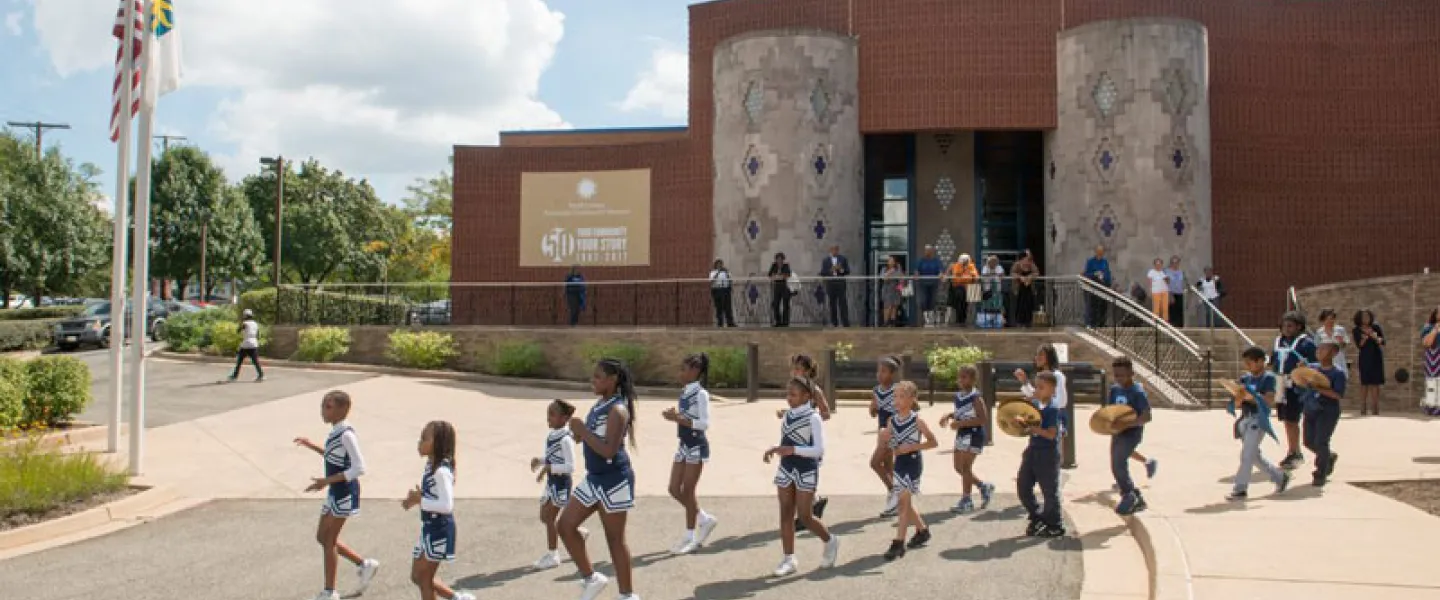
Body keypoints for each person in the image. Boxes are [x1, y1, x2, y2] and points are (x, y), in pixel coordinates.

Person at [558, 359, 640, 600]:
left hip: (615, 480)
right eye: (593, 376)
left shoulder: (619, 410)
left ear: (613, 379)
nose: (592, 381)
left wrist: (583, 431)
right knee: (564, 526)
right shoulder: (600, 405)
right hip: (594, 478)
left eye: (598, 377)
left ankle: (627, 595)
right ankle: (591, 578)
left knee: (615, 539)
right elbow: (593, 438)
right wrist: (576, 434)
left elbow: (609, 450)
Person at [293, 390, 380, 600]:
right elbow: (334, 457)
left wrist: (326, 481)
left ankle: (330, 591)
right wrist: (312, 446)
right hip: (335, 491)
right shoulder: (335, 432)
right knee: (322, 537)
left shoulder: (347, 434)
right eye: (323, 406)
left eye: (328, 407)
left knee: (329, 539)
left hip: (344, 493)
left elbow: (359, 468)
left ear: (342, 409)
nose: (323, 411)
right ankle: (364, 564)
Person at [764, 376, 841, 576]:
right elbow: (786, 441)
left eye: (793, 394)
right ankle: (788, 558)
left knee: (805, 516)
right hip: (786, 468)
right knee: (785, 513)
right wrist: (775, 448)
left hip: (806, 469)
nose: (789, 398)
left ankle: (830, 540)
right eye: (787, 393)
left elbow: (818, 450)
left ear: (807, 396)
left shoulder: (813, 417)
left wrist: (793, 450)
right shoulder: (788, 415)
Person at [403, 421, 475, 600]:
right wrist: (417, 499)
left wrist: (421, 500)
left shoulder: (441, 471)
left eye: (424, 438)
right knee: (417, 576)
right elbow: (433, 498)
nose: (419, 443)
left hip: (439, 530)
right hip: (429, 527)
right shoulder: (431, 465)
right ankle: (456, 597)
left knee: (424, 579)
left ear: (438, 443)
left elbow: (446, 505)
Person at [661, 354, 719, 555]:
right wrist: (675, 416)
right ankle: (704, 519)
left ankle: (690, 536)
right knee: (674, 488)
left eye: (684, 369)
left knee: (687, 490)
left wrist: (678, 419)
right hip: (684, 445)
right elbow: (687, 417)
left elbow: (704, 424)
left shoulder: (701, 394)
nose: (680, 373)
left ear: (695, 371)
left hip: (696, 445)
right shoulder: (685, 392)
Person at [881, 381, 938, 560]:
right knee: (904, 502)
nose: (897, 400)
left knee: (903, 504)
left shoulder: (917, 421)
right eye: (895, 396)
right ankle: (922, 530)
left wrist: (913, 447)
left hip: (912, 463)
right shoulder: (892, 420)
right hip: (899, 463)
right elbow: (890, 443)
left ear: (912, 399)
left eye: (902, 396)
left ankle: (899, 543)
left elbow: (933, 442)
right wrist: (885, 439)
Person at [1228, 347, 1292, 501]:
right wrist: (1238, 396)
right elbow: (1237, 403)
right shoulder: (1246, 378)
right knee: (1254, 456)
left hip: (1258, 419)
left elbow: (1269, 400)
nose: (1248, 366)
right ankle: (1279, 476)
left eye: (1251, 362)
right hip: (1245, 418)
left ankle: (1240, 488)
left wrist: (1252, 397)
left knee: (1247, 454)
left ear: (1260, 361)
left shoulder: (1269, 378)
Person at [531, 400, 587, 570]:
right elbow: (553, 457)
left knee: (549, 518)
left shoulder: (566, 439)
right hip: (552, 482)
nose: (548, 418)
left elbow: (570, 466)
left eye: (552, 415)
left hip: (561, 483)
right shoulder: (552, 435)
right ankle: (577, 534)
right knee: (544, 516)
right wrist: (540, 461)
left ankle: (553, 555)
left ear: (564, 418)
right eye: (548, 414)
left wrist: (548, 467)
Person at [780, 355, 831, 528]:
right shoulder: (794, 389)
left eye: (799, 368)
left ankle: (806, 514)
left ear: (808, 371)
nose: (795, 372)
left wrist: (811, 419)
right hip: (795, 438)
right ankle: (814, 504)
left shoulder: (814, 390)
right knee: (795, 475)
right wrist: (787, 413)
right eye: (793, 368)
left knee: (806, 473)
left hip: (808, 440)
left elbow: (826, 412)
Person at [938, 365, 994, 514]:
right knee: (958, 467)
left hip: (974, 434)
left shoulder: (976, 397)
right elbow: (961, 413)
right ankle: (983, 486)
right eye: (959, 377)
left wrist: (960, 423)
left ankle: (967, 499)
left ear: (973, 379)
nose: (960, 380)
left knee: (966, 467)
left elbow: (982, 419)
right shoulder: (958, 396)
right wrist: (949, 416)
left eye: (964, 377)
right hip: (962, 434)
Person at [1016, 372, 1064, 538]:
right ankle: (1036, 516)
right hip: (1033, 450)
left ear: (1052, 390)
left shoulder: (1052, 408)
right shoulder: (1035, 404)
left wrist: (1034, 429)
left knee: (1049, 490)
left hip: (1047, 453)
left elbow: (1051, 434)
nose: (1038, 390)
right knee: (1023, 486)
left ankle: (1054, 523)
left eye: (1042, 387)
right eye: (1037, 386)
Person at [1105, 358, 1153, 516]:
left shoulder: (1137, 392)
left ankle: (1128, 494)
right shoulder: (1114, 390)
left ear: (1131, 374)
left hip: (1132, 433)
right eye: (1116, 375)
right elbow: (1110, 411)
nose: (1119, 379)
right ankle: (1136, 496)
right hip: (1118, 433)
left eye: (1123, 375)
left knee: (1119, 463)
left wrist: (1128, 424)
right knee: (1115, 464)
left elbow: (1147, 416)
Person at [1273, 311, 1317, 470]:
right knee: (1286, 418)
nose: (1286, 329)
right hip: (1281, 383)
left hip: (1297, 385)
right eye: (1284, 325)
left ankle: (1296, 452)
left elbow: (1316, 363)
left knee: (1293, 418)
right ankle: (1293, 450)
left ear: (1299, 327)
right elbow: (1274, 361)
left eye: (1290, 326)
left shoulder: (1306, 343)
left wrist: (1306, 368)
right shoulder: (1279, 342)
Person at [1302, 341, 1345, 487]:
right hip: (1310, 408)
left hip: (1327, 410)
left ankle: (1320, 472)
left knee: (1321, 440)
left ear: (1333, 353)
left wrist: (1319, 389)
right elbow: (1300, 382)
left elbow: (1338, 395)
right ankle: (1328, 457)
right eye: (1318, 348)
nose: (1319, 351)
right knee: (1308, 441)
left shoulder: (1337, 373)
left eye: (1324, 349)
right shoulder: (1312, 368)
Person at [870, 357, 900, 517]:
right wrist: (873, 409)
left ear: (892, 374)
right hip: (881, 430)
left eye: (884, 371)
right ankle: (896, 498)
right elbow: (873, 410)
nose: (879, 374)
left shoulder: (897, 389)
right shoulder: (876, 390)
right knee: (887, 465)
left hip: (892, 431)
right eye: (878, 371)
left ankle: (894, 491)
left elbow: (910, 406)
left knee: (874, 463)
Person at [1352, 309, 1386, 416]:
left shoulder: (1376, 327)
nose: (1366, 318)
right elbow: (1359, 345)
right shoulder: (1356, 330)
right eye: (1363, 316)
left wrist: (1376, 337)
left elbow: (1383, 341)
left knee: (1375, 382)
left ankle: (1375, 408)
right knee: (1365, 382)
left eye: (1367, 316)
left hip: (1376, 356)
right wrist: (1366, 336)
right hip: (1365, 357)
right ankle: (1363, 408)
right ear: (1359, 318)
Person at [819, 245, 851, 327]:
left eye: (836, 250)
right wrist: (831, 270)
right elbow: (822, 272)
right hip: (830, 284)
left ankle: (845, 322)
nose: (835, 251)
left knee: (843, 303)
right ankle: (834, 322)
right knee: (832, 303)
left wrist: (841, 269)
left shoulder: (843, 259)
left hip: (840, 283)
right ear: (830, 250)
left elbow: (847, 271)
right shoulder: (825, 260)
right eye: (833, 250)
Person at [944, 254, 979, 327]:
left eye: (967, 261)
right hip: (957, 288)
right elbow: (949, 276)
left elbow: (976, 277)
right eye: (964, 261)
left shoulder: (971, 266)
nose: (965, 263)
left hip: (969, 289)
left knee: (965, 303)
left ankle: (964, 319)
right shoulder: (955, 266)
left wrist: (971, 275)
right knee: (959, 296)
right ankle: (959, 319)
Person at [230, 309, 264, 381]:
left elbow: (238, 331)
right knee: (255, 361)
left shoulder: (245, 323)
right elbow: (258, 334)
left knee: (239, 361)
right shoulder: (255, 323)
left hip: (246, 344)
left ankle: (234, 376)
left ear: (245, 316)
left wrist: (241, 325)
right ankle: (261, 375)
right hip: (254, 343)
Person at [1083, 246, 1113, 326]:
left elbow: (1107, 274)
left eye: (1102, 252)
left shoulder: (1104, 262)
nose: (1100, 254)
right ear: (1096, 252)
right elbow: (1086, 274)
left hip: (1103, 287)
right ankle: (1092, 324)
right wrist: (1094, 274)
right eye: (1099, 252)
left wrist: (1107, 280)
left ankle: (1102, 323)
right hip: (1093, 288)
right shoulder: (1090, 262)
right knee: (1093, 306)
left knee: (1103, 306)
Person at [1314, 309, 1350, 375]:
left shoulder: (1340, 330)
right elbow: (1317, 347)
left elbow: (1344, 345)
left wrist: (1341, 341)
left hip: (1338, 358)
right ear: (1323, 320)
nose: (1330, 321)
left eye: (1332, 319)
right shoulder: (1319, 332)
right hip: (1325, 361)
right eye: (1327, 319)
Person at [916, 246, 944, 326]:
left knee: (932, 300)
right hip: (923, 284)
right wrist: (917, 274)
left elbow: (940, 270)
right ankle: (926, 318)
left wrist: (941, 274)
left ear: (932, 251)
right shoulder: (921, 261)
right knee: (923, 300)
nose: (927, 252)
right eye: (926, 251)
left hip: (934, 284)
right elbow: (917, 271)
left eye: (929, 250)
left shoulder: (936, 261)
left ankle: (931, 319)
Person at [1012, 250, 1039, 327]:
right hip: (1019, 288)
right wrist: (1020, 277)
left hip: (1029, 288)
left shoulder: (1031, 264)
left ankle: (1028, 321)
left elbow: (1036, 272)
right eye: (1026, 257)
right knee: (1019, 305)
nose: (1027, 259)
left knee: (1029, 304)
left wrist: (1030, 277)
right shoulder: (1017, 264)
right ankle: (1019, 321)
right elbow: (1013, 273)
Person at [978, 255, 1005, 329]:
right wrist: (993, 273)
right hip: (987, 290)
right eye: (991, 262)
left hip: (997, 290)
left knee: (998, 306)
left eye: (995, 262)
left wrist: (994, 274)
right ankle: (987, 321)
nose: (993, 263)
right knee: (987, 306)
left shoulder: (999, 267)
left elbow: (1002, 275)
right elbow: (984, 275)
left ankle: (998, 321)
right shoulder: (985, 267)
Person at [1421, 307, 1440, 415]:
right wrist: (1435, 330)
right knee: (1432, 383)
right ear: (1435, 315)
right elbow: (1426, 343)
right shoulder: (1428, 327)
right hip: (1433, 358)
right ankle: (1432, 409)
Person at [708, 259, 736, 328]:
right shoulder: (713, 272)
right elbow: (711, 280)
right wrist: (718, 273)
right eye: (718, 263)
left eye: (720, 263)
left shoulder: (726, 272)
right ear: (716, 265)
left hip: (726, 289)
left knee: (728, 307)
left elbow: (730, 280)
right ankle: (720, 323)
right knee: (719, 307)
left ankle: (730, 322)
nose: (719, 265)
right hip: (717, 289)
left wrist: (731, 287)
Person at [767, 253, 792, 328]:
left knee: (785, 305)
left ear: (783, 259)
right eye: (778, 259)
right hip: (777, 287)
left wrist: (780, 276)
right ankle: (778, 321)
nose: (779, 260)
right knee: (776, 304)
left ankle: (785, 322)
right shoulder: (774, 265)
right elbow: (770, 274)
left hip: (784, 287)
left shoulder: (786, 265)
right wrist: (776, 276)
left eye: (780, 259)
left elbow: (787, 274)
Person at [880, 255, 904, 327]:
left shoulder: (897, 269)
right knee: (887, 306)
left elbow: (901, 278)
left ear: (894, 262)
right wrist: (890, 272)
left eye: (892, 260)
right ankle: (885, 322)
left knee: (894, 306)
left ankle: (893, 322)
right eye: (889, 260)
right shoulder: (884, 269)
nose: (890, 262)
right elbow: (883, 278)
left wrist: (901, 286)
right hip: (887, 289)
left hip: (895, 288)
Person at [1165, 256, 1185, 327]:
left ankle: (1180, 327)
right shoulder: (1167, 272)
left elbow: (1183, 283)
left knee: (1180, 311)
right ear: (1171, 263)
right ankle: (1172, 327)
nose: (1175, 264)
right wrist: (1170, 294)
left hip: (1180, 294)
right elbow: (1166, 284)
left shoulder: (1181, 272)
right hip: (1171, 294)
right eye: (1173, 263)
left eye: (1177, 263)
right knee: (1172, 312)